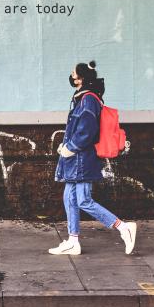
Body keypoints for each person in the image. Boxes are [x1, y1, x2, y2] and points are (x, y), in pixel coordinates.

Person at [49, 61, 137, 256]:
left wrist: (70, 148)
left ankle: (124, 227)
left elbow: (88, 131)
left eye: (73, 73)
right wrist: (65, 146)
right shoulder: (82, 98)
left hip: (82, 158)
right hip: (76, 158)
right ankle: (73, 241)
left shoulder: (88, 99)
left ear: (79, 78)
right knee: (69, 197)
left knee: (83, 200)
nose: (71, 76)